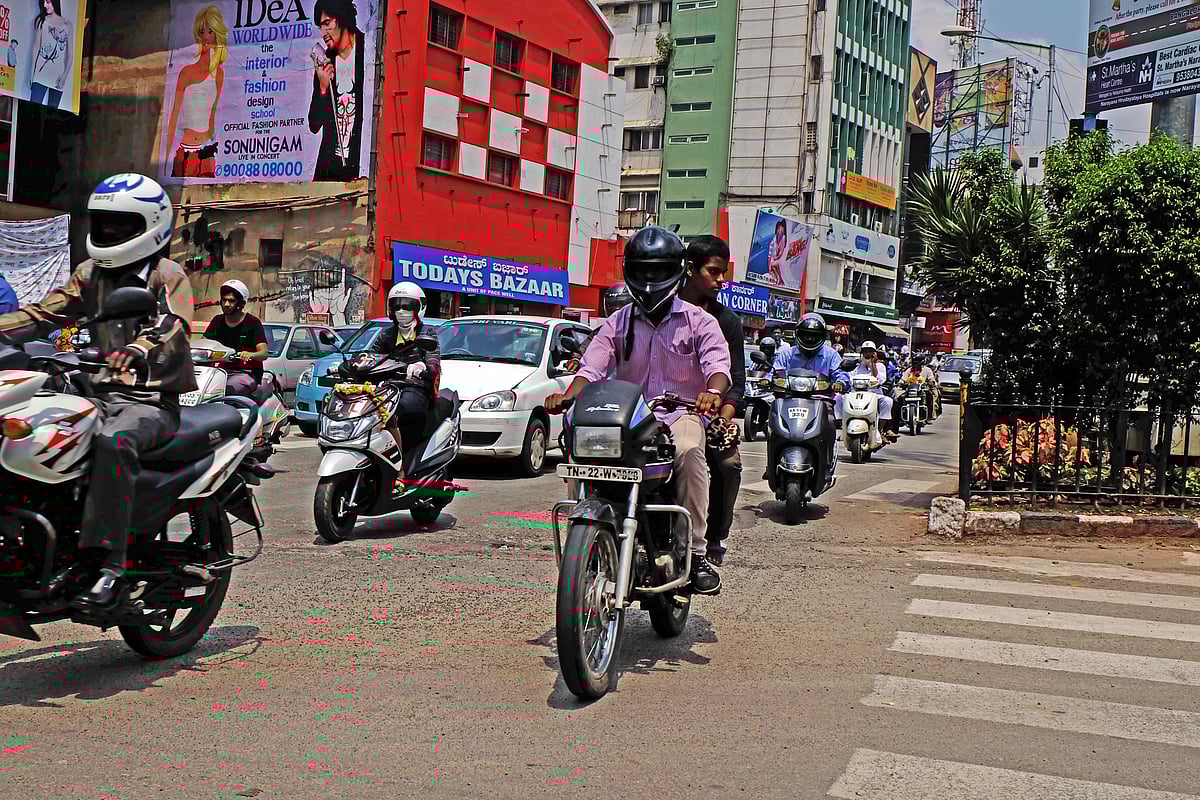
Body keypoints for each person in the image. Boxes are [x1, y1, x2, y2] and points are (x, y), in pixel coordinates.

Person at [0, 173, 196, 612]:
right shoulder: (89, 273)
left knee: (113, 442)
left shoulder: (167, 275)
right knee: (33, 433)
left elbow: (173, 324)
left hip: (149, 401)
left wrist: (137, 348)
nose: (109, 231)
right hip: (95, 393)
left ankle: (110, 565)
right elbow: (42, 314)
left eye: (121, 224)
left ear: (152, 224)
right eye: (104, 222)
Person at [546, 226, 731, 595]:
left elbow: (718, 366)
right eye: (643, 270)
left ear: (675, 271)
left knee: (689, 450)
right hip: (627, 418)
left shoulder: (700, 321)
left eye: (658, 270)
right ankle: (582, 536)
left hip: (680, 417)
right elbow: (591, 369)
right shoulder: (618, 322)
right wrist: (568, 395)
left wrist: (712, 392)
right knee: (580, 443)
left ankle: (695, 552)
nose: (650, 279)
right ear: (630, 271)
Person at [679, 235, 744, 567]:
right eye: (713, 272)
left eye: (723, 273)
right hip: (659, 411)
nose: (721, 281)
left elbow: (735, 381)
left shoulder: (727, 322)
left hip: (707, 416)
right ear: (690, 269)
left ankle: (714, 537)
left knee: (728, 465)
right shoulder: (662, 309)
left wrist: (723, 415)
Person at [368, 281, 441, 476]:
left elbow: (434, 363)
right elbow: (371, 357)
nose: (401, 311)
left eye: (407, 306)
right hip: (387, 388)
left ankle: (402, 466)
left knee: (403, 408)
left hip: (415, 388)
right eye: (397, 306)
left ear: (418, 308)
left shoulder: (427, 333)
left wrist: (422, 367)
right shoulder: (386, 335)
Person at [164, 5, 226, 178]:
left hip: (207, 150)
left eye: (210, 31)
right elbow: (174, 116)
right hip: (186, 149)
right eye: (202, 31)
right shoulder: (186, 72)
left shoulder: (219, 74)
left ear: (217, 34)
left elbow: (212, 114)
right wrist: (166, 160)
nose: (205, 37)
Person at [309, 0, 366, 181]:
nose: (323, 33)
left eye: (327, 24)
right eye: (320, 27)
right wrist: (323, 88)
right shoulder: (326, 61)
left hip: (360, 166)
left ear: (341, 17)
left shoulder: (368, 49)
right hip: (329, 169)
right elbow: (314, 124)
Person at [204, 279, 269, 398]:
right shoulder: (217, 321)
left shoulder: (252, 323)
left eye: (231, 301)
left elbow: (264, 353)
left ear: (241, 303)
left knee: (227, 390)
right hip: (218, 372)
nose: (226, 304)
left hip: (245, 373)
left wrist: (250, 354)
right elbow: (204, 343)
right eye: (224, 300)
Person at [836, 340, 897, 445]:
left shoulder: (880, 366)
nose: (867, 354)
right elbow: (849, 377)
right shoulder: (856, 366)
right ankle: (843, 428)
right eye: (865, 351)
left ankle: (879, 430)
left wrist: (873, 364)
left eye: (870, 351)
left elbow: (879, 379)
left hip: (874, 394)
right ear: (862, 353)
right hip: (855, 394)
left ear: (874, 353)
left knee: (888, 401)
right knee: (838, 399)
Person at [29, 0, 72, 109]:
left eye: (48, 2)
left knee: (52, 114)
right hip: (40, 74)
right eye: (43, 2)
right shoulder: (42, 21)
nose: (44, 5)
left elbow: (70, 54)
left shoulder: (67, 24)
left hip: (58, 76)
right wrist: (32, 72)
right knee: (32, 110)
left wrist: (65, 76)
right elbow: (36, 48)